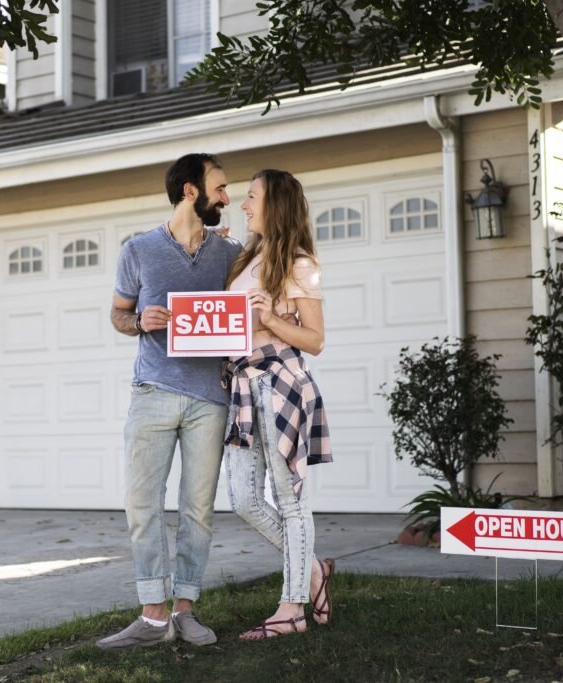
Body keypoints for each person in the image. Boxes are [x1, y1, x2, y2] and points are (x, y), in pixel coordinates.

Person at [98, 153, 242, 650]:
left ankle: (185, 610)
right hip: (153, 393)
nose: (227, 197)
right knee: (142, 504)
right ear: (189, 190)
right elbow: (118, 315)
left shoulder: (230, 253)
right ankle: (152, 615)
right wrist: (141, 322)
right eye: (220, 188)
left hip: (209, 399)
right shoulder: (138, 250)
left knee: (197, 509)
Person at [223, 169, 335, 640]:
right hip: (243, 386)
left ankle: (290, 612)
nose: (244, 205)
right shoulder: (249, 257)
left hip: (279, 384)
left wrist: (270, 318)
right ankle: (312, 571)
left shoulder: (298, 263)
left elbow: (315, 339)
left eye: (251, 197)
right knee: (245, 499)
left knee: (290, 503)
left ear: (275, 205)